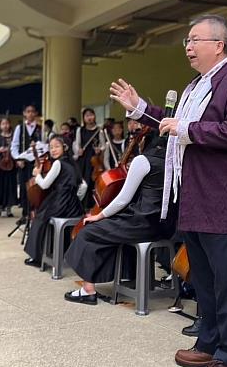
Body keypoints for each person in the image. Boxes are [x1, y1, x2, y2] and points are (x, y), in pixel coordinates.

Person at [110, 14, 227, 367]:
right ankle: (209, 343)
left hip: (224, 202)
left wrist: (187, 129)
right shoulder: (197, 85)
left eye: (194, 40)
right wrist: (139, 106)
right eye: (186, 41)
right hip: (194, 198)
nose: (188, 47)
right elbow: (171, 122)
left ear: (218, 45)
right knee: (204, 280)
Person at [64, 130, 173, 304]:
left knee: (89, 232)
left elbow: (123, 199)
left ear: (145, 141)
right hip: (165, 226)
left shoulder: (142, 160)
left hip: (141, 223)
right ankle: (129, 279)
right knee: (112, 232)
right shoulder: (175, 161)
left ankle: (88, 290)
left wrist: (99, 215)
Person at [24, 135, 86, 266]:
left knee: (40, 218)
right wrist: (75, 198)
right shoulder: (73, 163)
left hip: (60, 202)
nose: (53, 150)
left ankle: (37, 257)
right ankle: (59, 252)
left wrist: (37, 175)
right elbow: (84, 186)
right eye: (51, 147)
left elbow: (45, 184)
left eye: (57, 146)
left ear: (65, 147)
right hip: (74, 205)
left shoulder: (58, 163)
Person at [11, 104, 43, 210]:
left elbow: (43, 145)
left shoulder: (40, 128)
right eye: (28, 111)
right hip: (23, 163)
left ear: (36, 113)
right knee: (24, 187)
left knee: (35, 186)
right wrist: (18, 159)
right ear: (24, 113)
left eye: (32, 111)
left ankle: (35, 211)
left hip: (35, 162)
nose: (30, 114)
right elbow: (14, 146)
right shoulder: (20, 128)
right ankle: (25, 213)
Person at [72, 107, 105, 209]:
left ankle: (92, 207)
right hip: (82, 160)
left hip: (94, 161)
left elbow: (103, 145)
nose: (89, 117)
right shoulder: (79, 130)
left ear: (94, 116)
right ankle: (80, 206)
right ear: (84, 118)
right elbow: (77, 144)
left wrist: (99, 149)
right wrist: (79, 150)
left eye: (91, 115)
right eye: (87, 116)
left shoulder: (99, 130)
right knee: (82, 182)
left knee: (92, 182)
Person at [0, 116, 17, 217]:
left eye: (7, 123)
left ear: (9, 124)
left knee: (10, 185)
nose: (5, 126)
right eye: (3, 124)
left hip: (11, 163)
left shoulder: (14, 136)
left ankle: (9, 209)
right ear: (0, 126)